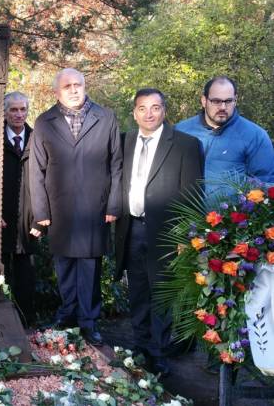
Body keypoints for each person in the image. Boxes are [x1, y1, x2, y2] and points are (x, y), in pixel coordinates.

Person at [29, 68, 122, 345]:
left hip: (96, 207)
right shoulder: (45, 121)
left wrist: (114, 204)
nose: (73, 90)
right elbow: (36, 170)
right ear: (57, 92)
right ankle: (68, 314)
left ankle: (89, 321)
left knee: (90, 268)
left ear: (85, 86)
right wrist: (41, 212)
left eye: (77, 84)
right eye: (67, 86)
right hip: (60, 210)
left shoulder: (105, 118)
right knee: (65, 265)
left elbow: (116, 165)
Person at [114, 88, 203, 377]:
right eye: (142, 108)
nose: (149, 113)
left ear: (164, 110)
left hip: (166, 235)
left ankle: (158, 355)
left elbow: (193, 195)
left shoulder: (185, 144)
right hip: (132, 229)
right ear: (135, 112)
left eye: (155, 107)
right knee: (137, 293)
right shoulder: (126, 141)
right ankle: (140, 348)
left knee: (161, 296)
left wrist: (184, 237)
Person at [175, 76, 274, 197]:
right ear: (204, 100)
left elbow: (265, 184)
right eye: (216, 101)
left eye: (228, 101)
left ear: (235, 100)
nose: (222, 107)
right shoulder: (181, 130)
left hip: (230, 214)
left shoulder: (255, 136)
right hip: (184, 213)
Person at [1, 91, 38, 327]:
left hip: (29, 213)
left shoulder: (37, 139)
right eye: (13, 110)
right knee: (0, 270)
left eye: (22, 109)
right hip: (0, 216)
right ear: (5, 112)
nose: (18, 114)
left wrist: (40, 216)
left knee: (26, 271)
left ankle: (26, 321)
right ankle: (1, 320)